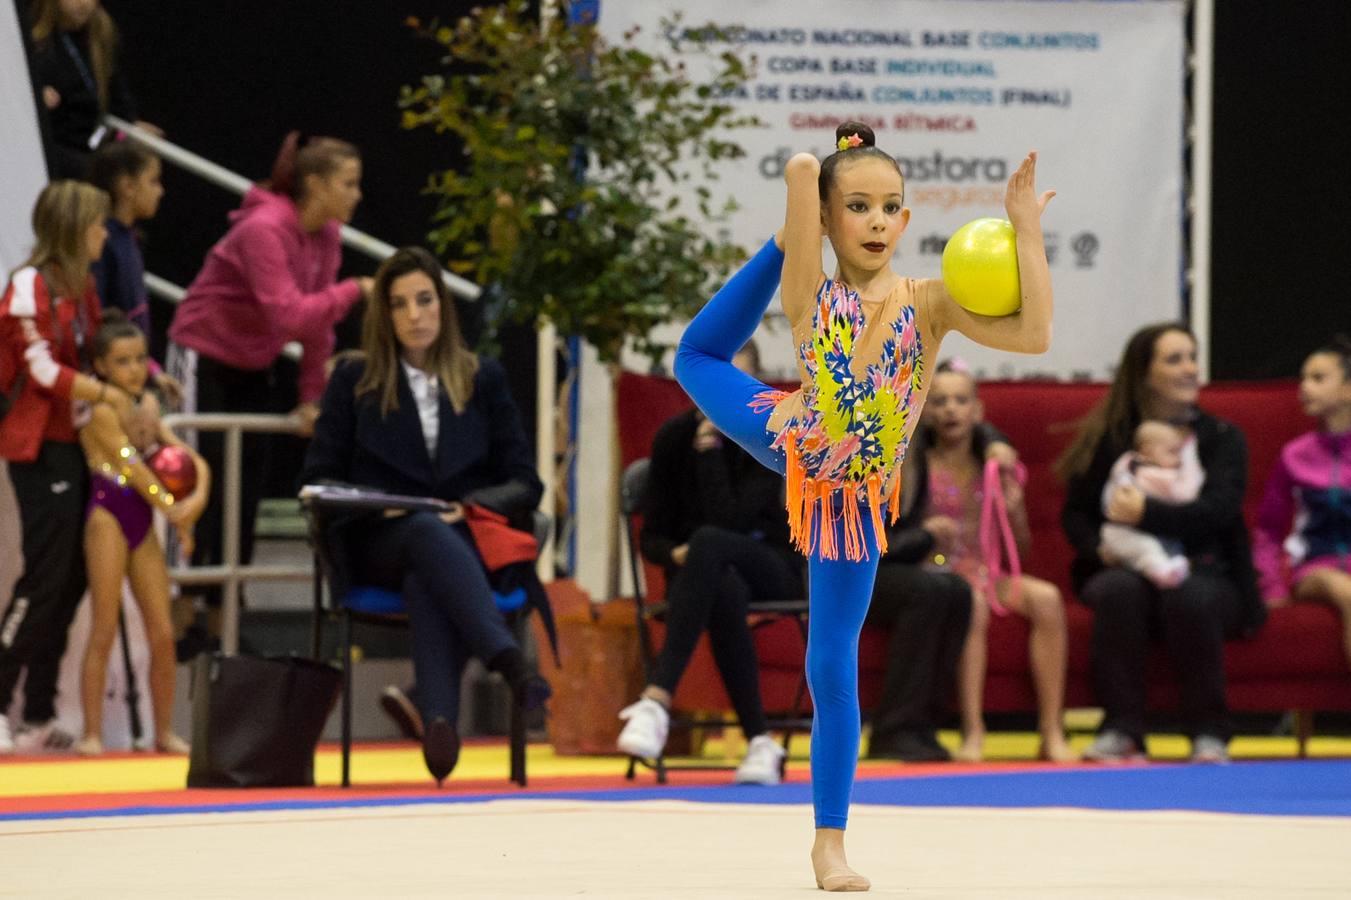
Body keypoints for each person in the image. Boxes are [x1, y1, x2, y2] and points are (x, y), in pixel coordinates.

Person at [673, 122, 1053, 891]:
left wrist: (1025, 234)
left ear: (907, 221)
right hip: (792, 440)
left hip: (851, 504)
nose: (877, 221)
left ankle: (828, 845)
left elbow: (1036, 334)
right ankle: (789, 226)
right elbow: (808, 181)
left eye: (890, 207)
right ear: (827, 220)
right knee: (695, 357)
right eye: (857, 206)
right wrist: (799, 204)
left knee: (832, 665)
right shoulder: (813, 290)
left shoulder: (931, 303)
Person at [301, 246, 549, 784]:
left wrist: (472, 507)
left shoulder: (481, 378)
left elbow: (525, 482)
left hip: (461, 543)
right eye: (399, 304)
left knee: (427, 572)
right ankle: (508, 662)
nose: (414, 315)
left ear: (443, 305)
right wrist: (373, 502)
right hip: (375, 542)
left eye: (424, 300)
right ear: (384, 316)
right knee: (419, 531)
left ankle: (438, 723)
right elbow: (321, 478)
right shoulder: (354, 381)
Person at [168, 131, 369, 634]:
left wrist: (310, 398)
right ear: (316, 185)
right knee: (197, 482)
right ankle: (176, 607)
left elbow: (318, 329)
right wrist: (354, 291)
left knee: (245, 493)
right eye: (349, 183)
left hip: (254, 363)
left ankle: (222, 615)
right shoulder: (264, 227)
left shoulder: (327, 236)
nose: (357, 195)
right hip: (204, 354)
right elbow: (288, 315)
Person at [1058, 323, 1267, 765]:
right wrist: (1099, 548)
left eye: (1192, 356)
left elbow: (1218, 513)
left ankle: (1209, 733)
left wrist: (1146, 514)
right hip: (1124, 568)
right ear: (1143, 372)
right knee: (1117, 590)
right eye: (1175, 359)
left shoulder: (1223, 438)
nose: (1190, 368)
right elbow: (1075, 513)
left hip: (1209, 571)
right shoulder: (1113, 436)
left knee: (1189, 596)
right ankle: (1121, 729)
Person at [615, 340, 802, 785]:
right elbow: (653, 539)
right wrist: (682, 553)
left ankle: (656, 699)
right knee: (720, 584)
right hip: (705, 575)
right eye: (715, 382)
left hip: (771, 566)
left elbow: (732, 521)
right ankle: (760, 741)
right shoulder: (672, 438)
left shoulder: (769, 434)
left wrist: (711, 451)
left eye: (736, 383)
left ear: (756, 385)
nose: (724, 394)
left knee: (711, 542)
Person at [0, 180, 134, 753]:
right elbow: (40, 369)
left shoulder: (84, 289)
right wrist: (108, 396)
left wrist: (139, 379)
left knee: (74, 577)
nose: (106, 233)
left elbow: (98, 354)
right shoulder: (28, 285)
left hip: (74, 446)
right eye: (99, 224)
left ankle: (37, 712)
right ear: (76, 228)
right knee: (45, 575)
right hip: (37, 447)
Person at [915, 361, 1073, 763]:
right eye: (941, 401)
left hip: (989, 571)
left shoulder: (992, 469)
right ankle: (973, 729)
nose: (951, 409)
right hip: (941, 573)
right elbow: (901, 529)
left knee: (1049, 599)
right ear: (926, 411)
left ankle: (1052, 730)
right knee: (975, 604)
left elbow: (1018, 553)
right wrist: (928, 529)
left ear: (978, 412)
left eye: (960, 400)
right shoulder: (918, 466)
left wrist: (1015, 510)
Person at [75, 312, 208, 755]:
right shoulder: (99, 411)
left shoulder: (144, 407)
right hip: (108, 516)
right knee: (104, 627)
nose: (134, 369)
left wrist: (199, 495)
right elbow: (132, 469)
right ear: (101, 369)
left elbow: (186, 456)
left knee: (163, 633)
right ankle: (92, 733)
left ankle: (163, 731)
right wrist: (176, 514)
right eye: (122, 362)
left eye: (139, 359)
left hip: (142, 519)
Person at [1253, 336, 1351, 664]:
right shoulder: (1295, 455)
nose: (1304, 387)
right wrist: (1271, 586)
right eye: (1303, 378)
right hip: (1316, 568)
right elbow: (1268, 529)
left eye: (1318, 378)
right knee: (1347, 592)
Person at [87, 140, 182, 405]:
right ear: (127, 186)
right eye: (153, 181)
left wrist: (150, 369)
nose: (160, 191)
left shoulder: (130, 238)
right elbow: (101, 317)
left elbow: (132, 319)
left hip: (130, 377)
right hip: (109, 387)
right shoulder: (102, 241)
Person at [27, 0, 162, 178]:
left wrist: (130, 131)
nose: (83, 3)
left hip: (92, 147)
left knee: (137, 166)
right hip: (51, 153)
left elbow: (120, 104)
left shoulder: (101, 35)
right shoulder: (32, 40)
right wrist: (35, 97)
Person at [1100, 420, 1203, 589]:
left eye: (1180, 452)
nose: (1179, 459)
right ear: (1147, 451)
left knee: (1163, 547)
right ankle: (1163, 574)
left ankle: (1169, 567)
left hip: (1116, 532)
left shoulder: (1127, 462)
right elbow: (1187, 493)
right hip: (1126, 533)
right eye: (1173, 452)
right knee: (1148, 549)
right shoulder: (1150, 473)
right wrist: (1190, 453)